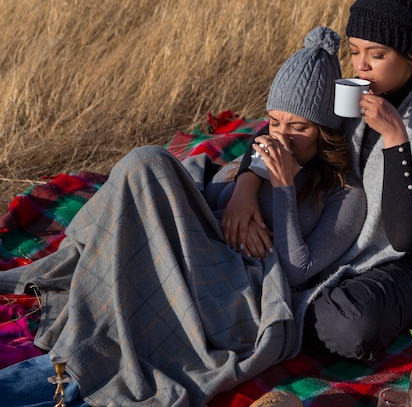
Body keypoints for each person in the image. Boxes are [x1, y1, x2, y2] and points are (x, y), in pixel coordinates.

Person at [0, 26, 366, 406]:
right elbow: (219, 193)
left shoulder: (346, 193)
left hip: (239, 289)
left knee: (149, 164)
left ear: (326, 130)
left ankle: (85, 346)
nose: (281, 137)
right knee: (144, 165)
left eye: (299, 127)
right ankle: (73, 268)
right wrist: (245, 187)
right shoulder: (263, 151)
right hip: (203, 244)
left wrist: (284, 188)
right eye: (275, 122)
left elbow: (297, 271)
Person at [222, 0, 412, 361]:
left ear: (409, 54)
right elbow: (281, 126)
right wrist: (245, 186)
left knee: (349, 327)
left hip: (410, 264)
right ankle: (273, 302)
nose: (360, 65)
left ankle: (271, 306)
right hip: (334, 233)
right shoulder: (354, 93)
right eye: (355, 50)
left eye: (376, 54)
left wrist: (395, 137)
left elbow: (406, 237)